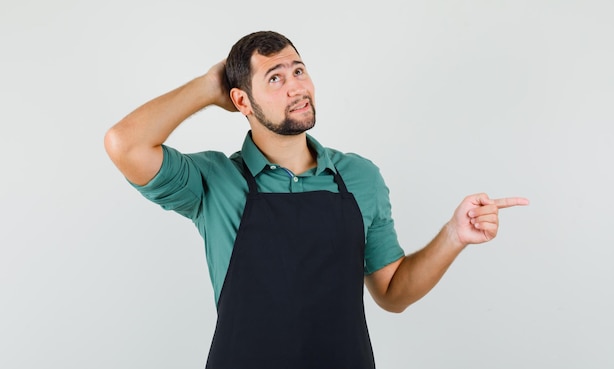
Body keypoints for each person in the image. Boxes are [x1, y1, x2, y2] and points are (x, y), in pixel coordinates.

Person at [104, 31, 529, 368]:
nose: (296, 87)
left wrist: (453, 235)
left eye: (299, 71)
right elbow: (124, 144)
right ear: (240, 101)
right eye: (275, 78)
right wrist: (206, 86)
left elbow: (393, 293)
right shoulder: (214, 180)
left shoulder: (359, 177)